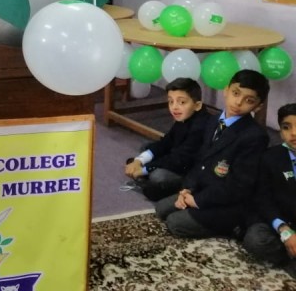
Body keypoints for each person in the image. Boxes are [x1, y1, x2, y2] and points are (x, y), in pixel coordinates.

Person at [155, 69, 270, 239]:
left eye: (249, 100)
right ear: (226, 90)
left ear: (258, 106)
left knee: (175, 222)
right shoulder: (213, 120)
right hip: (204, 188)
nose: (238, 102)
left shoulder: (254, 136)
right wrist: (187, 189)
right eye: (236, 93)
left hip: (227, 201)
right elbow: (199, 160)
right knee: (161, 209)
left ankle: (234, 227)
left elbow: (238, 186)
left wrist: (198, 201)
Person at [124, 77, 210, 201]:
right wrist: (139, 161)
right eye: (171, 102)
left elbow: (180, 159)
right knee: (146, 147)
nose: (174, 107)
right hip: (177, 156)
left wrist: (144, 169)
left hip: (189, 168)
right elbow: (166, 142)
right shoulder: (185, 116)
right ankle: (144, 174)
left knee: (159, 177)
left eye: (182, 102)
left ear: (197, 105)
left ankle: (157, 183)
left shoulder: (201, 126)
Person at [243, 103, 296, 278]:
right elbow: (263, 199)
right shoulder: (270, 157)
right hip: (282, 222)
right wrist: (285, 231)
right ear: (280, 131)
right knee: (255, 239)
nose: (293, 133)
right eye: (286, 127)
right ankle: (288, 256)